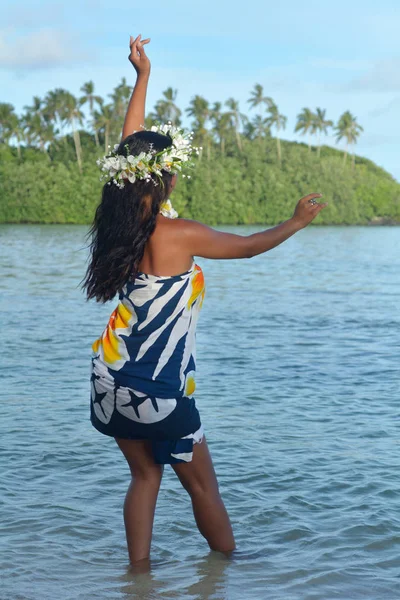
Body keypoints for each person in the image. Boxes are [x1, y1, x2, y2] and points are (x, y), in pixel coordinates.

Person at [82, 34, 328, 566]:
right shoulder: (178, 234)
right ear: (162, 179)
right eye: (171, 168)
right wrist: (295, 222)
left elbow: (132, 145)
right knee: (202, 488)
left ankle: (138, 577)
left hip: (110, 378)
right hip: (158, 389)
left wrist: (142, 76)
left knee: (144, 475)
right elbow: (246, 248)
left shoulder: (124, 226)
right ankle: (231, 572)